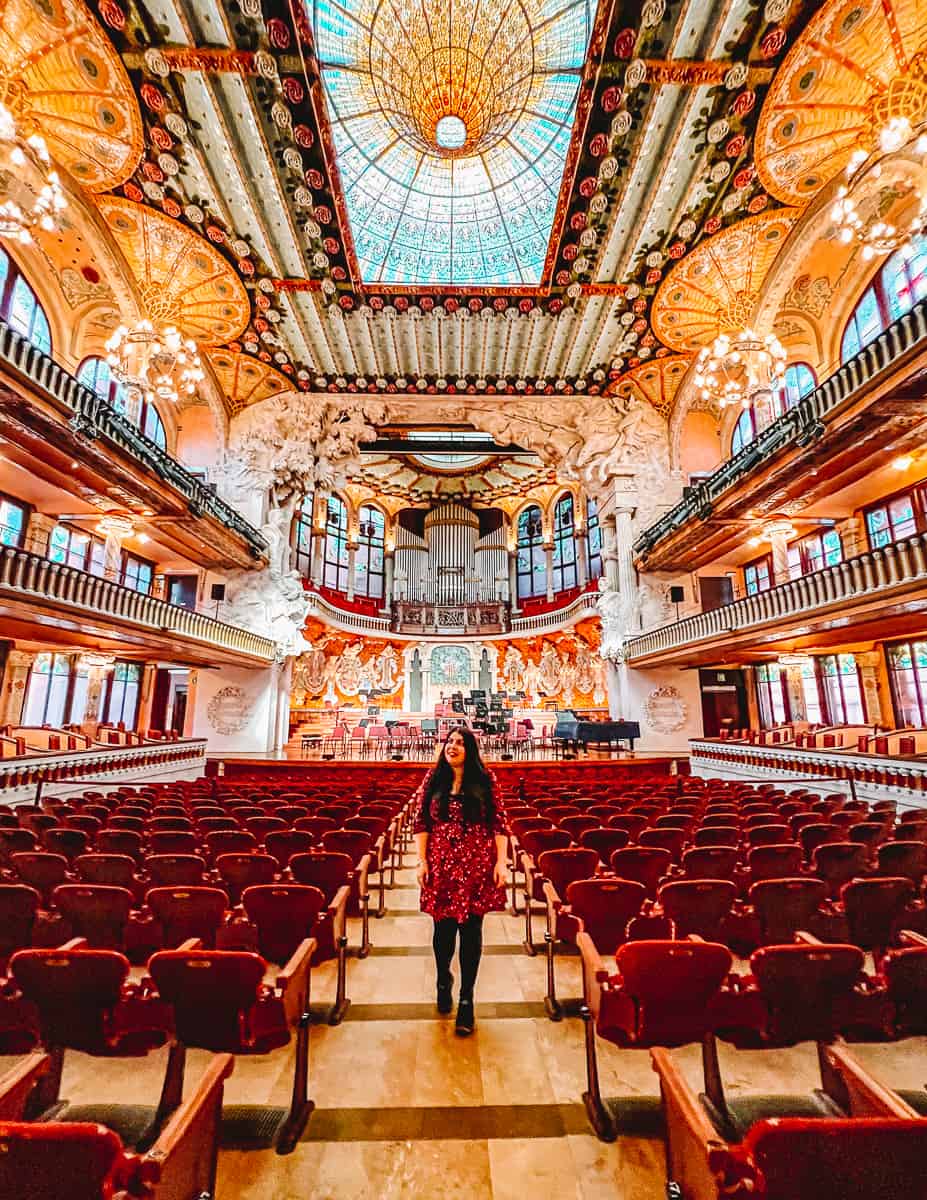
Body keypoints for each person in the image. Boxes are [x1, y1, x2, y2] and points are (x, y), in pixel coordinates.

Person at [413, 728, 507, 1035]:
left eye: (460, 743)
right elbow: (421, 822)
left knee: (471, 932)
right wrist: (422, 859)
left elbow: (499, 823)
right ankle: (443, 977)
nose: (452, 746)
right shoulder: (434, 779)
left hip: (477, 864)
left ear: (470, 750)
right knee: (442, 930)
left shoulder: (485, 780)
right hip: (442, 865)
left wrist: (502, 862)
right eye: (449, 742)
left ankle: (467, 999)